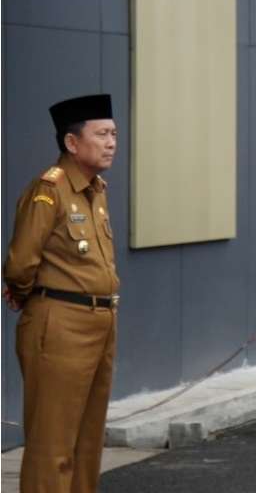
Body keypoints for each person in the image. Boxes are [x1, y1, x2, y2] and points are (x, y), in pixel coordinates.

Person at [4, 94, 119, 493]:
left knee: (87, 443)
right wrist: (23, 293)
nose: (111, 142)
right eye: (101, 134)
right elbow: (20, 264)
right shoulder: (48, 190)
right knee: (52, 445)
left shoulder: (96, 191)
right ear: (72, 143)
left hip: (101, 324)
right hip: (60, 326)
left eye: (114, 134)